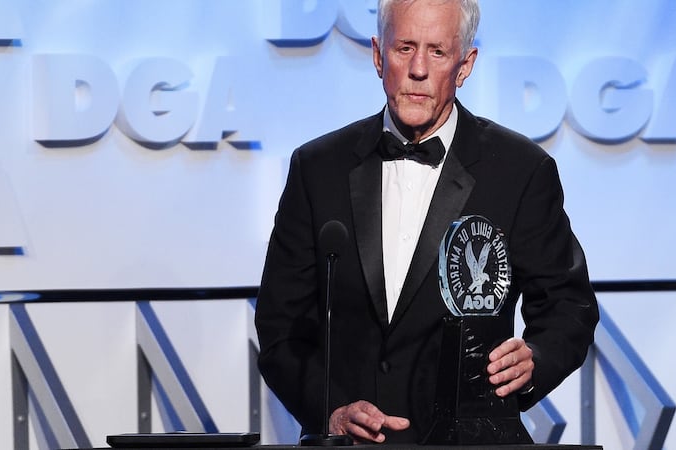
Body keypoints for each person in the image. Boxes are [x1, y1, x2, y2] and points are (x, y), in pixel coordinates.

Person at [255, 0, 599, 444]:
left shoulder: (520, 171)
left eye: (437, 51)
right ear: (379, 56)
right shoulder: (317, 169)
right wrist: (331, 411)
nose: (418, 68)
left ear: (465, 64)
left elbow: (568, 307)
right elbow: (281, 326)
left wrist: (534, 358)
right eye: (404, 48)